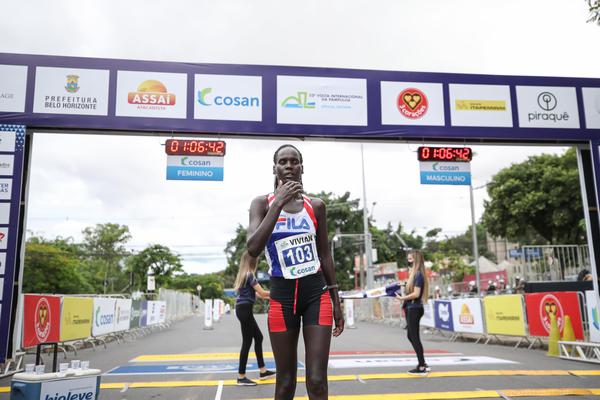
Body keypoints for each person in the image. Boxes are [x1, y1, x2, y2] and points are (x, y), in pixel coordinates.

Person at [246, 144, 344, 400]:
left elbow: (325, 255)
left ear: (302, 167)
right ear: (275, 168)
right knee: (286, 383)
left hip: (316, 295)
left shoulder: (316, 206)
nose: (289, 166)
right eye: (283, 162)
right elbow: (253, 248)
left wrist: (336, 301)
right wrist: (278, 202)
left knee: (317, 381)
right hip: (282, 296)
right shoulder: (262, 204)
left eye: (294, 161)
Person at [234, 251, 276, 386]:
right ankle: (241, 376)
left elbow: (258, 295)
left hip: (242, 309)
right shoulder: (249, 275)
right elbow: (263, 293)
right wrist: (280, 292)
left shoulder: (243, 275)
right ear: (252, 262)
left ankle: (263, 371)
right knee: (247, 342)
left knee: (258, 337)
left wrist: (273, 296)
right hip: (245, 310)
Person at [395, 250, 430, 375]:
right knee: (411, 336)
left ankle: (421, 366)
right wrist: (403, 285)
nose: (409, 257)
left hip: (415, 308)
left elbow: (416, 294)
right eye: (409, 255)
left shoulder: (418, 274)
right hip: (412, 308)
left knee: (414, 337)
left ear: (417, 258)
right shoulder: (414, 274)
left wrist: (402, 298)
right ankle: (422, 362)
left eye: (412, 256)